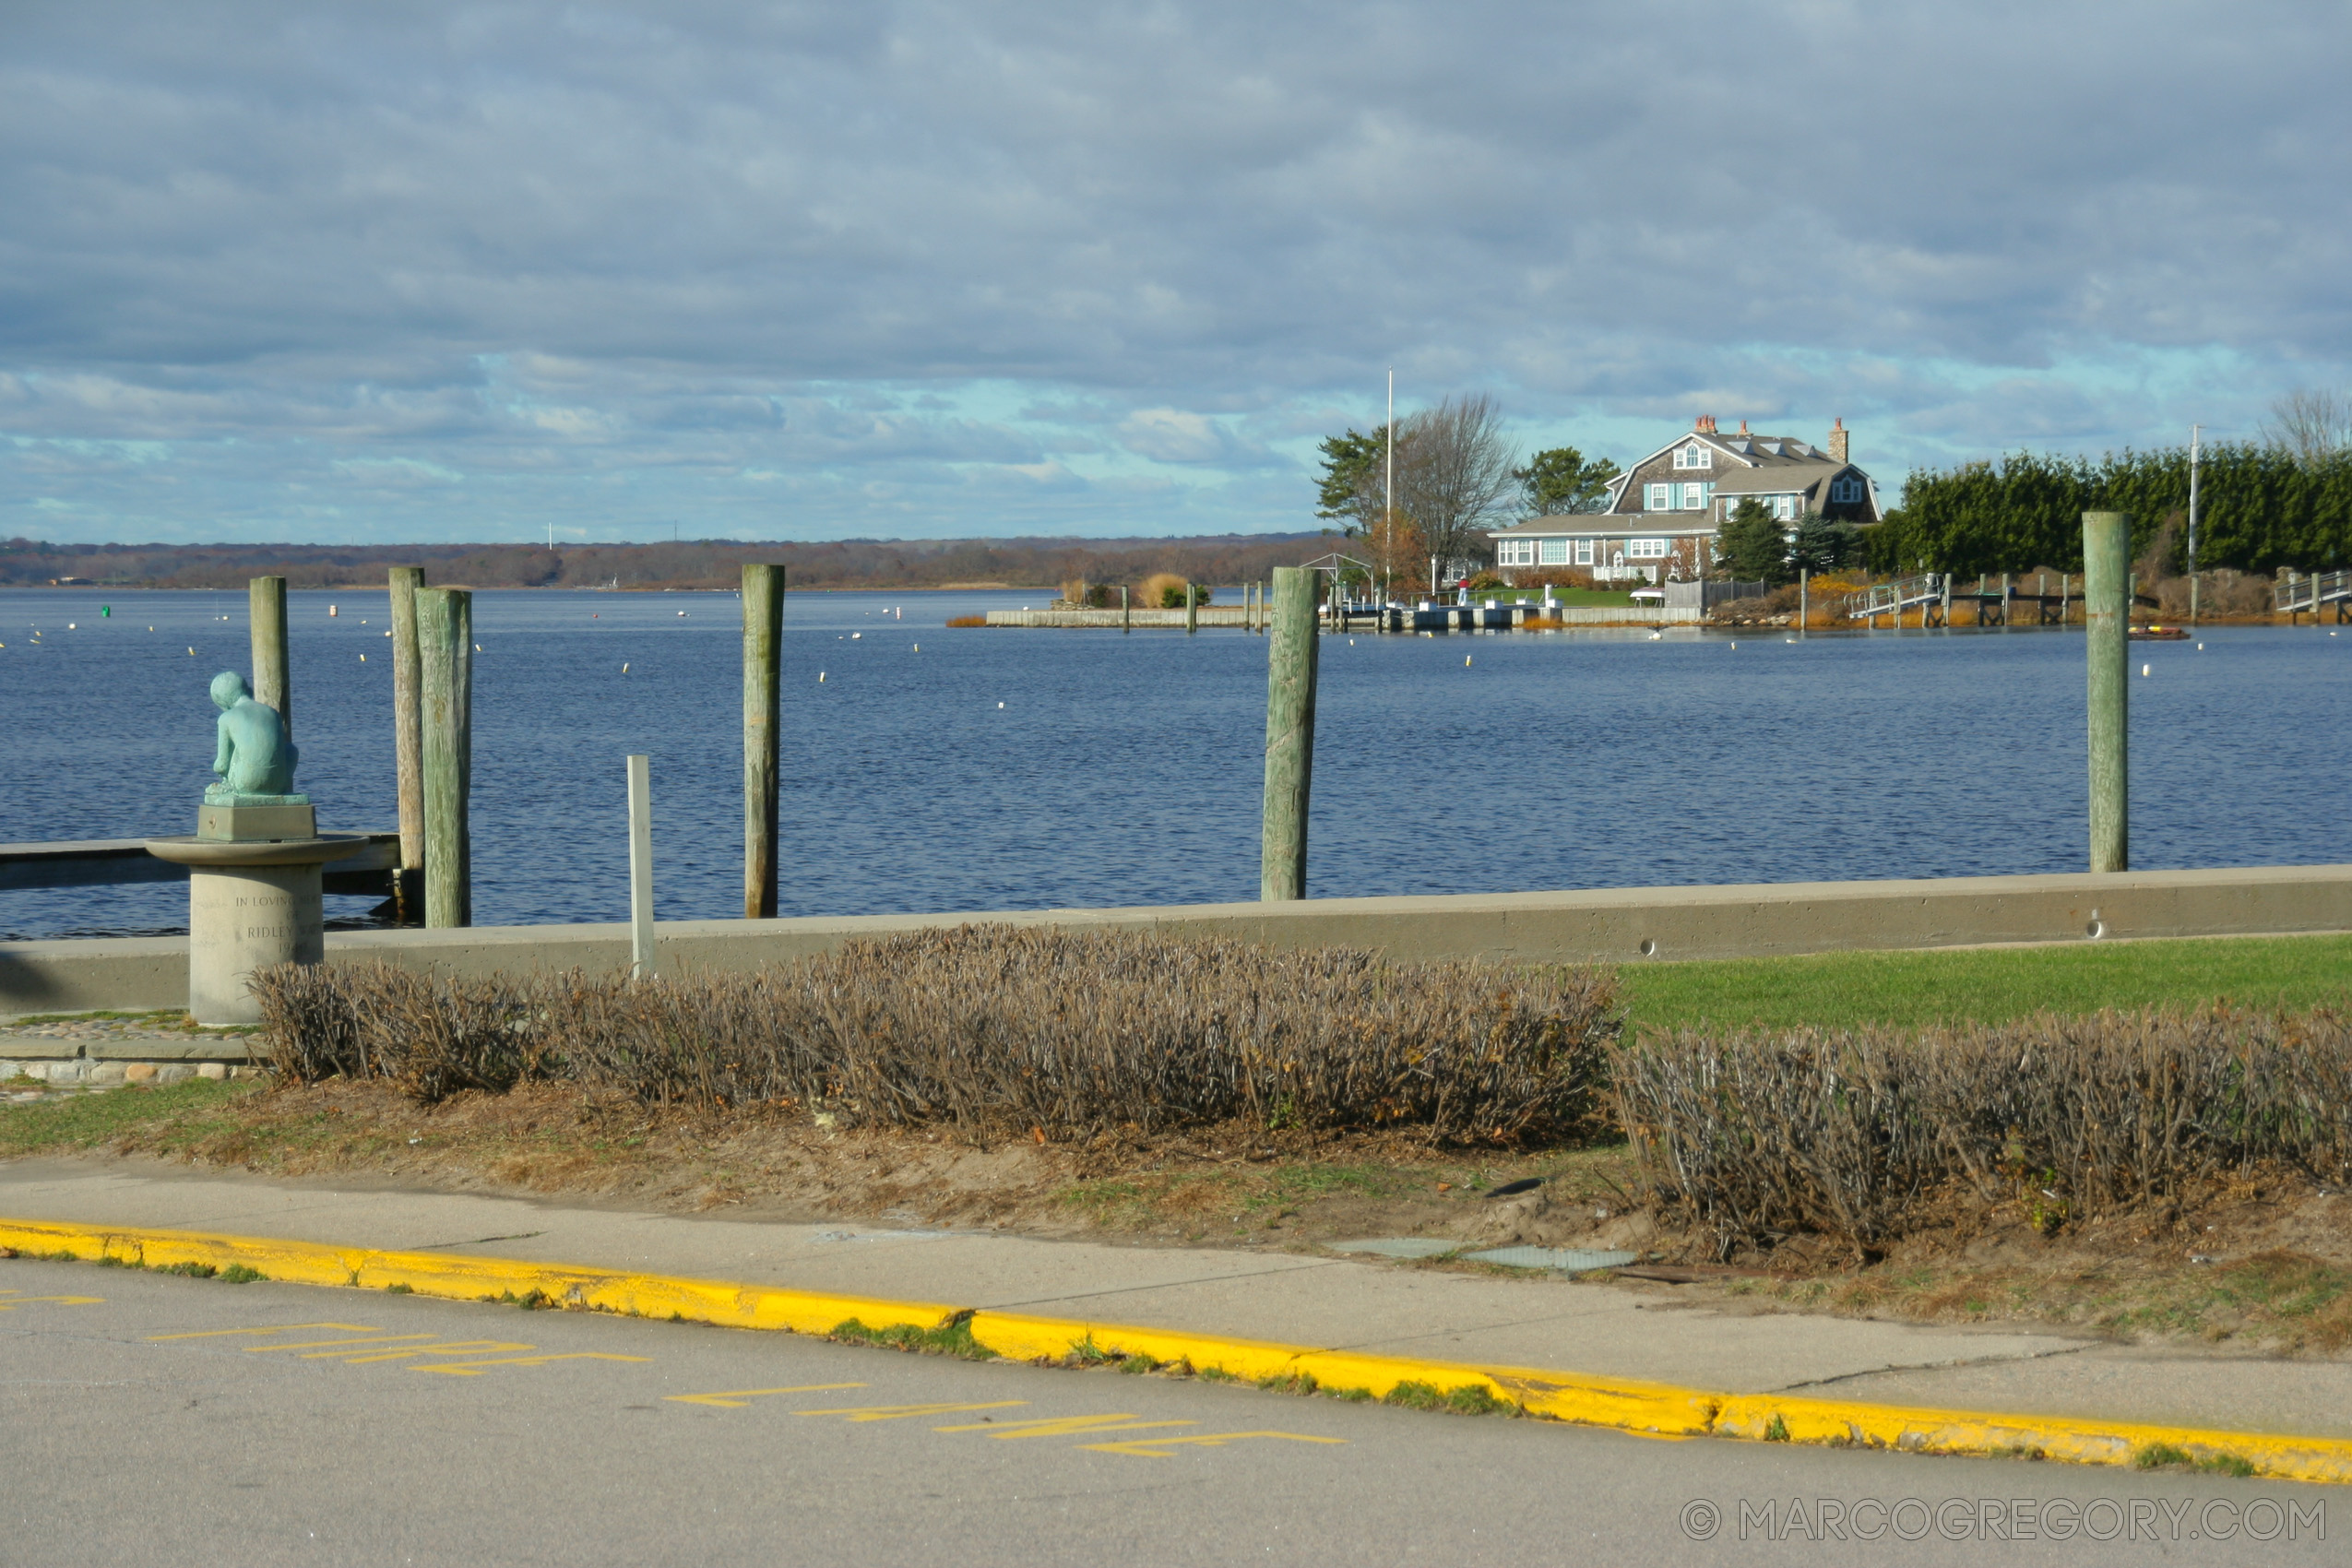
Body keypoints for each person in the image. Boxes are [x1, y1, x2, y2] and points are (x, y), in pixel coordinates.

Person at [206, 671, 300, 799]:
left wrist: (219, 770)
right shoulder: (273, 713)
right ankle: (282, 786)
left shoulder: (226, 717)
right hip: (279, 784)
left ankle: (232, 788)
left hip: (245, 784)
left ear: (223, 704)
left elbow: (221, 765)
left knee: (237, 750)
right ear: (249, 690)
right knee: (291, 749)